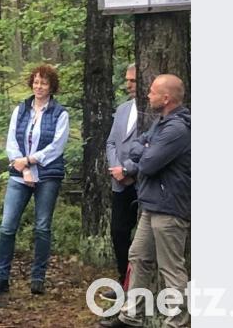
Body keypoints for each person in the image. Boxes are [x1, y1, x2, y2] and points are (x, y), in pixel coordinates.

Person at [100, 74, 191, 328]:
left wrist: (140, 156)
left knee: (170, 267)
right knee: (138, 256)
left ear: (166, 98)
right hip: (151, 205)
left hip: (170, 207)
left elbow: (149, 164)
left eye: (152, 92)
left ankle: (178, 322)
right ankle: (131, 316)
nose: (147, 95)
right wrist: (145, 149)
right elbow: (138, 148)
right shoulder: (160, 123)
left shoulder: (177, 129)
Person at [0, 64, 70, 296]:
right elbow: (11, 141)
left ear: (51, 86)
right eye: (36, 82)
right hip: (18, 175)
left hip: (48, 175)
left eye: (44, 83)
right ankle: (1, 277)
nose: (39, 86)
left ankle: (38, 278)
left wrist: (30, 161)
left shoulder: (60, 113)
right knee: (7, 226)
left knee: (42, 227)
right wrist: (21, 164)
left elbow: (56, 146)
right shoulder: (22, 109)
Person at [101, 64, 140, 300]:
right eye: (127, 80)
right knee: (119, 231)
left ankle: (139, 286)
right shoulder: (123, 108)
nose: (128, 85)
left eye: (133, 81)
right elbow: (111, 143)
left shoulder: (152, 111)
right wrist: (117, 169)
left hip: (143, 181)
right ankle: (122, 281)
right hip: (120, 182)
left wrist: (130, 171)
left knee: (144, 239)